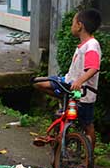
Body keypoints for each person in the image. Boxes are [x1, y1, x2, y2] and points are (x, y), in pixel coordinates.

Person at [34, 9, 102, 149]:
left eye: (73, 23)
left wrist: (79, 81)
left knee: (87, 125)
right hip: (70, 85)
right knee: (39, 82)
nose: (72, 26)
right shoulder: (86, 45)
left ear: (79, 25)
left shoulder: (91, 46)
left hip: (81, 91)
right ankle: (63, 98)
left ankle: (90, 156)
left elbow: (93, 68)